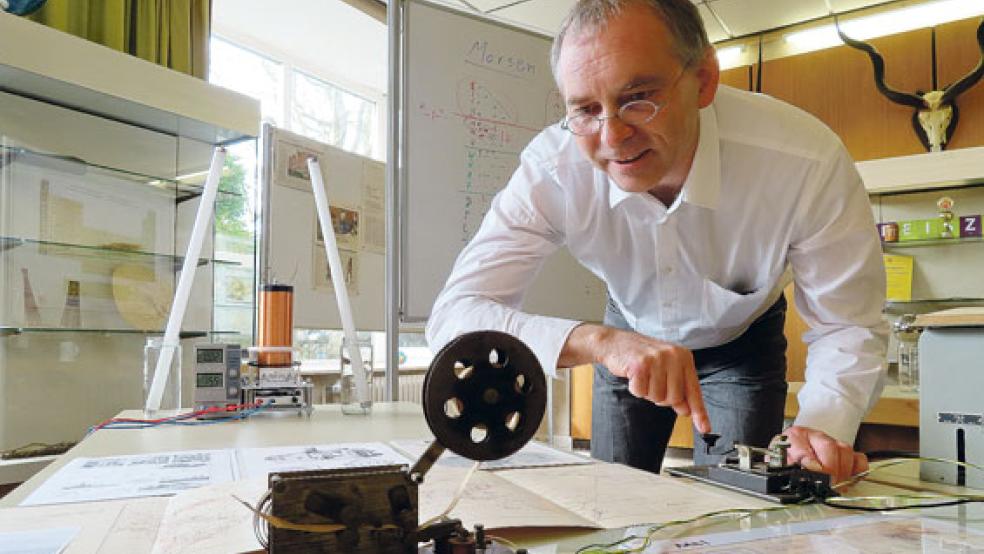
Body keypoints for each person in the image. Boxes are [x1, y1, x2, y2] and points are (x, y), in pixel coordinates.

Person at [426, 0, 887, 484]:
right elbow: (454, 316)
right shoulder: (552, 169)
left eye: (638, 97)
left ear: (705, 79)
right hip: (627, 333)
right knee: (614, 498)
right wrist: (599, 342)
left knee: (735, 506)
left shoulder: (804, 161)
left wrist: (821, 429)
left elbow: (847, 324)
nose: (613, 137)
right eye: (585, 110)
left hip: (741, 343)